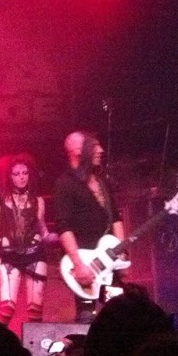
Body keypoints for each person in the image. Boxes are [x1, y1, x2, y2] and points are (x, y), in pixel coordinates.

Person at [0, 152, 57, 326]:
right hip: (10, 257)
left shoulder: (38, 201)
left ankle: (33, 343)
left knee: (35, 311)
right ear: (10, 177)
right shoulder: (1, 200)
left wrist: (59, 237)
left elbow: (43, 231)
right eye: (16, 174)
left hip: (35, 255)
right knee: (7, 308)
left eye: (25, 173)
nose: (21, 177)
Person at [51, 131, 126, 323]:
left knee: (118, 313)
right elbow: (64, 227)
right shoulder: (65, 184)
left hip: (110, 261)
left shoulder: (102, 182)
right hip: (85, 264)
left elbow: (116, 218)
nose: (100, 150)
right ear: (77, 151)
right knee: (87, 318)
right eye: (94, 146)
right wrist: (78, 264)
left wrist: (123, 252)